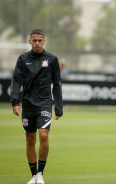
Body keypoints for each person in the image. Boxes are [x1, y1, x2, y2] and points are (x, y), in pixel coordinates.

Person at [10, 29, 63, 184]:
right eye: (34, 40)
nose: (37, 43)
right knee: (30, 139)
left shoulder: (52, 59)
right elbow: (16, 81)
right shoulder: (22, 59)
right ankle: (33, 176)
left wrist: (58, 107)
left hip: (45, 104)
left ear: (44, 41)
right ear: (30, 41)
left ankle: (40, 173)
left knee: (44, 135)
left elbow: (57, 84)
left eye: (40, 40)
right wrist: (15, 102)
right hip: (28, 104)